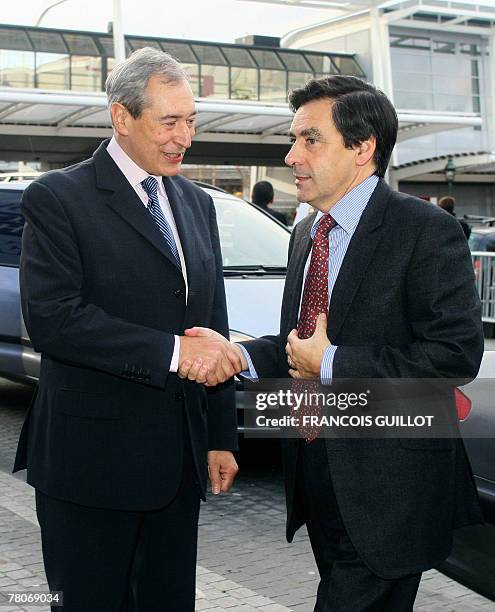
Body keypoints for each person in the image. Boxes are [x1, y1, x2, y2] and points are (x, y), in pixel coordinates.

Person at [181, 76, 484, 611]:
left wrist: (335, 361)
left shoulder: (425, 230)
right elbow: (298, 345)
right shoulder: (307, 233)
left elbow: (454, 355)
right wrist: (238, 353)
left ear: (362, 148)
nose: (291, 153)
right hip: (317, 472)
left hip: (391, 487)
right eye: (293, 138)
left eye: (309, 139)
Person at [13, 47, 240, 612]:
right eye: (169, 122)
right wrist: (171, 352)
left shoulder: (196, 203)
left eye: (191, 120)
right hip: (90, 465)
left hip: (179, 467)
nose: (184, 137)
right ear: (122, 116)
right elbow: (54, 318)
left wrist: (219, 435)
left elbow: (212, 322)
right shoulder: (59, 198)